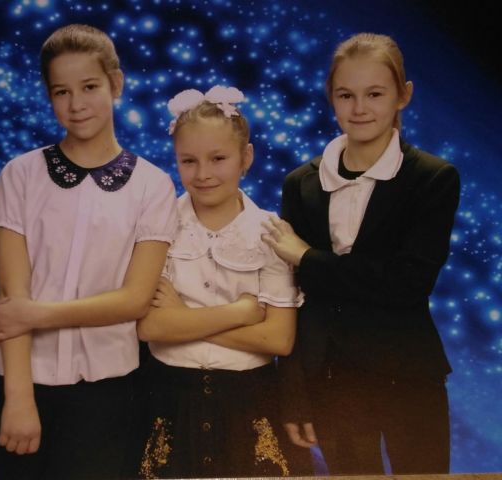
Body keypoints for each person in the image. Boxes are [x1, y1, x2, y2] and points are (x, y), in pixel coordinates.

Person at [0, 24, 178, 479]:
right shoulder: (20, 174)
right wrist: (19, 399)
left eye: (90, 87)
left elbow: (135, 299)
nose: (76, 104)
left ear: (115, 84)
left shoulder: (153, 186)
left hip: (106, 385)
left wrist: (36, 315)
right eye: (62, 91)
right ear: (49, 95)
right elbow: (12, 296)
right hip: (14, 376)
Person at [262, 32, 460, 474]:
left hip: (409, 376)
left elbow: (408, 282)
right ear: (331, 98)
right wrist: (293, 392)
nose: (359, 108)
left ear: (403, 95)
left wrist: (308, 258)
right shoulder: (301, 183)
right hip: (331, 381)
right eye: (346, 95)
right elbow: (291, 297)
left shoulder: (432, 178)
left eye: (375, 94)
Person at [136, 86, 302, 479]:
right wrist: (240, 312)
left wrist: (183, 317)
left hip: (249, 400)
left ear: (246, 157)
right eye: (188, 161)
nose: (203, 174)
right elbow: (151, 328)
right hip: (170, 397)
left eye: (218, 158)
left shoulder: (271, 233)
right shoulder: (158, 226)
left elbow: (278, 339)